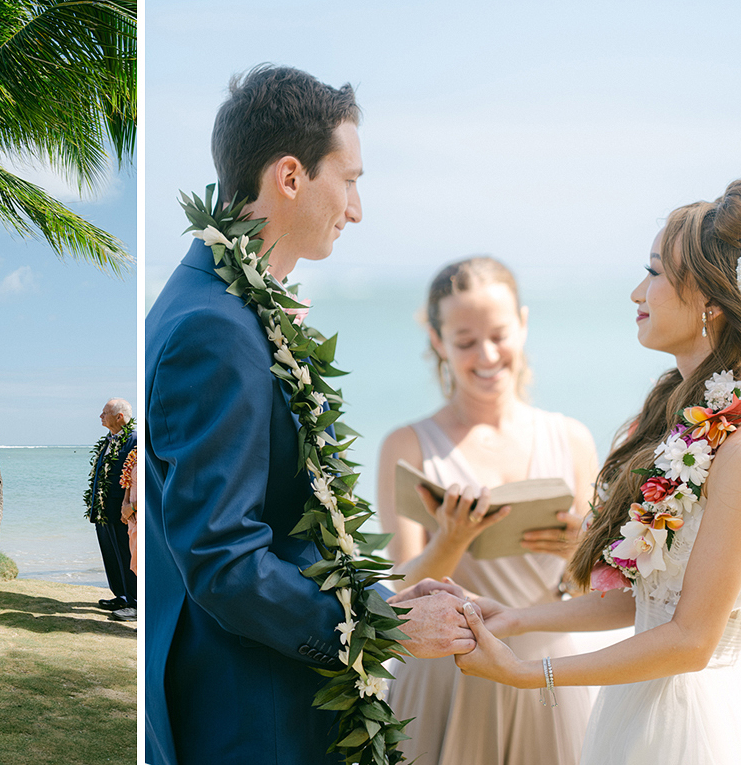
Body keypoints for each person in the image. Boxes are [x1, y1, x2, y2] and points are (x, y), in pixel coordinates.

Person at [145, 65, 478, 765]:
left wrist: (381, 590)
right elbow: (223, 558)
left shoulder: (223, 303)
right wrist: (374, 624)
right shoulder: (217, 327)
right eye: (349, 179)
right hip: (253, 713)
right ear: (290, 176)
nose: (355, 208)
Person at [454, 181, 741, 765]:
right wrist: (516, 618)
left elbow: (690, 639)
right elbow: (647, 599)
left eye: (655, 273)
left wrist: (529, 674)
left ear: (710, 299)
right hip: (637, 705)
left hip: (692, 719)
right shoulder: (672, 420)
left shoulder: (734, 444)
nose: (638, 291)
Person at [375, 258, 599, 765]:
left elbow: (591, 591)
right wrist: (450, 540)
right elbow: (397, 594)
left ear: (522, 324)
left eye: (499, 334)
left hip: (547, 674)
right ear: (437, 341)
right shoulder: (406, 445)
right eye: (465, 340)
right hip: (443, 677)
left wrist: (578, 551)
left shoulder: (571, 438)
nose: (488, 354)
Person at [87, 398, 138, 622]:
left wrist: (129, 507)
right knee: (111, 553)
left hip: (123, 511)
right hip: (103, 509)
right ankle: (122, 595)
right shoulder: (109, 439)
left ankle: (136, 601)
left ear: (119, 417)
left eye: (105, 412)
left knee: (128, 555)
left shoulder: (134, 440)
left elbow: (131, 478)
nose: (100, 416)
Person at [119, 445, 138, 576]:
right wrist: (125, 506)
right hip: (132, 515)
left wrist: (132, 507)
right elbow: (128, 483)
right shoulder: (135, 454)